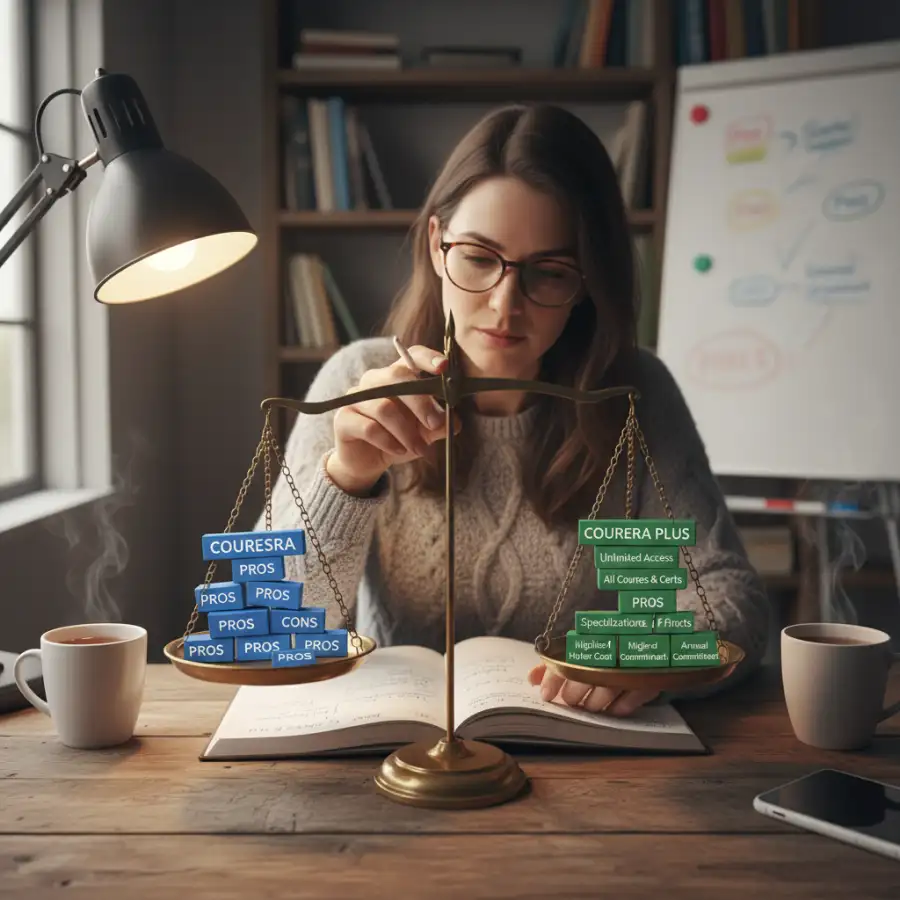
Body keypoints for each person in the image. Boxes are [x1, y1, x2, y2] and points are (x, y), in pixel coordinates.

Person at [259, 103, 771, 716]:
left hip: (591, 751)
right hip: (395, 749)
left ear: (587, 283)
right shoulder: (356, 381)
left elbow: (727, 595)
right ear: (434, 244)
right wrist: (346, 478)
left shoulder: (633, 397)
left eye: (549, 273)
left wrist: (645, 659)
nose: (506, 305)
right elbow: (274, 624)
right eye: (478, 258)